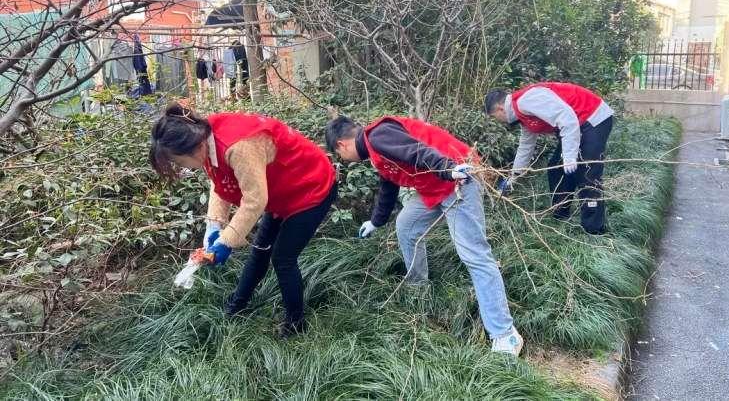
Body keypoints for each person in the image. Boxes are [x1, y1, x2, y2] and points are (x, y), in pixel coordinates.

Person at [325, 115, 523, 356]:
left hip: (458, 179)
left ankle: (505, 334)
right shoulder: (376, 149)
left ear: (341, 145)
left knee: (474, 254)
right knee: (406, 225)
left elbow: (416, 151)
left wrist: (449, 169)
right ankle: (418, 288)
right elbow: (389, 186)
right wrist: (375, 222)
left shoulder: (377, 135)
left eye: (340, 157)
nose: (344, 161)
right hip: (435, 186)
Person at [150, 104, 337, 336]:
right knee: (259, 251)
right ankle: (236, 306)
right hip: (280, 191)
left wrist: (227, 241)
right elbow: (219, 182)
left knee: (282, 259)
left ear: (196, 148)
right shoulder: (202, 136)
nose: (181, 167)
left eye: (179, 162)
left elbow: (254, 201)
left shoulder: (238, 148)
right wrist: (214, 225)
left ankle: (295, 325)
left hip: (311, 186)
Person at [484, 82, 614, 235]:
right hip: (576, 124)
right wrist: (514, 176)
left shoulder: (527, 101)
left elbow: (567, 119)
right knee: (556, 169)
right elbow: (526, 147)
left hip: (593, 117)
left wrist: (570, 157)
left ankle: (593, 230)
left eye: (495, 117)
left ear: (500, 109)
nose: (498, 120)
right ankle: (560, 215)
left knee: (587, 172)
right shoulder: (522, 115)